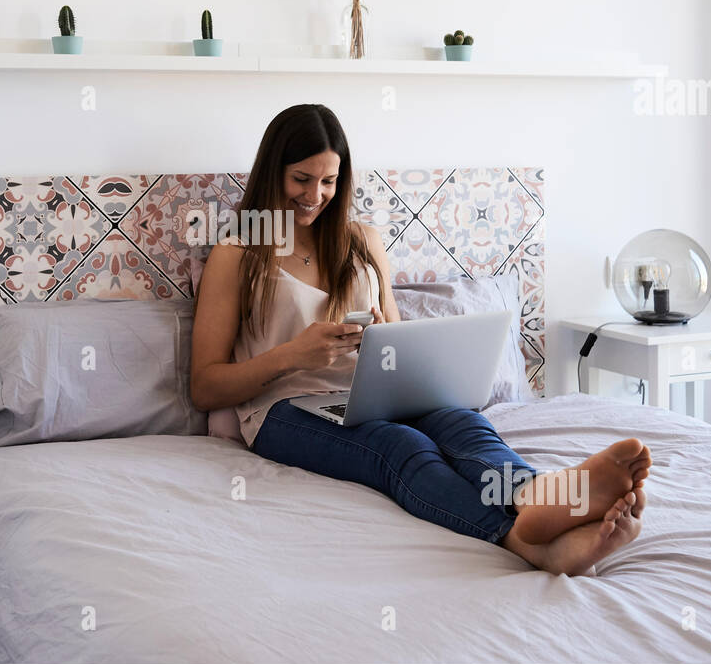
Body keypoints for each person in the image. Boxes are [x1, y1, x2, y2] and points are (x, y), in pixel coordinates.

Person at [190, 103, 651, 576]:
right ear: (272, 173)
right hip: (284, 409)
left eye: (329, 181)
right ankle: (523, 540)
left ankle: (539, 498)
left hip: (375, 394)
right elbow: (204, 387)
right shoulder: (238, 254)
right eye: (302, 179)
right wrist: (293, 355)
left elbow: (396, 338)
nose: (317, 195)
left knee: (463, 425)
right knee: (401, 447)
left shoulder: (362, 241)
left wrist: (385, 344)